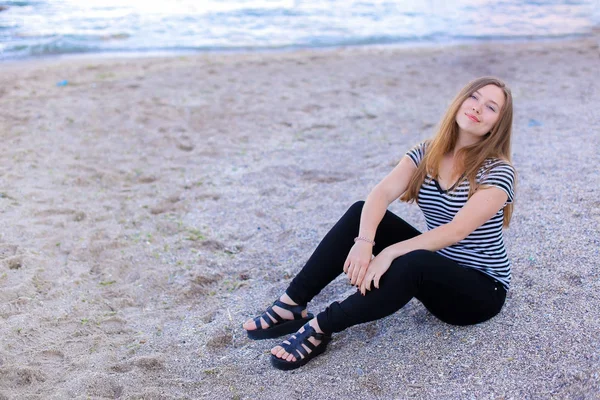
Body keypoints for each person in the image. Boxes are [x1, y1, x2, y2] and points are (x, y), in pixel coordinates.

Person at [243, 76, 516, 370]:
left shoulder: (499, 172)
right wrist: (364, 243)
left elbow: (456, 231)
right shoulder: (428, 152)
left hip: (479, 291)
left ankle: (321, 327)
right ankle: (291, 306)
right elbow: (380, 194)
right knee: (361, 213)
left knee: (413, 261)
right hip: (437, 263)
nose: (477, 108)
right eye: (473, 98)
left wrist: (387, 253)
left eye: (490, 107)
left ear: (496, 125)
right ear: (460, 101)